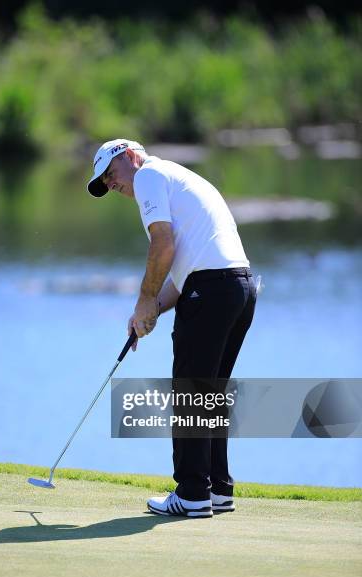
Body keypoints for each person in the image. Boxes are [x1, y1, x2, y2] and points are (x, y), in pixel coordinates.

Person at [87, 138, 256, 518]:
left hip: (211, 288)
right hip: (238, 288)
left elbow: (161, 246)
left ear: (129, 156)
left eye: (111, 175)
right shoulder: (176, 177)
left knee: (190, 391)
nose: (112, 185)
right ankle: (217, 489)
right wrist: (149, 312)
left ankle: (193, 492)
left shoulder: (148, 174)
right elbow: (184, 271)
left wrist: (144, 298)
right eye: (106, 184)